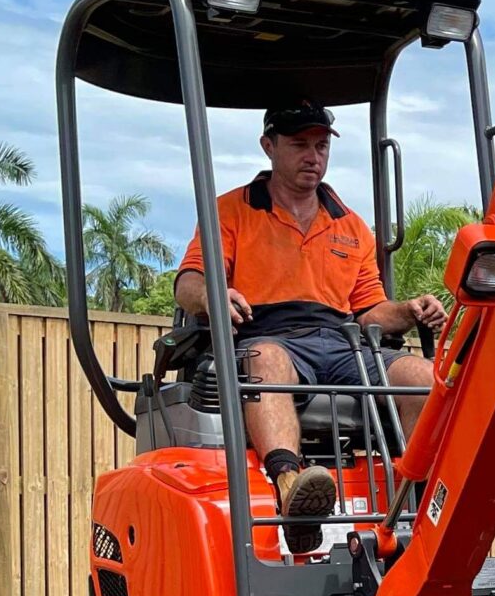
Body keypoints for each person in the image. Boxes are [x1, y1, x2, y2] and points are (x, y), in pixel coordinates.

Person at [173, 100, 447, 548]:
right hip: (267, 332)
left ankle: (406, 517)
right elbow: (187, 283)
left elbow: (369, 310)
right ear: (269, 146)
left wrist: (409, 310)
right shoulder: (231, 212)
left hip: (343, 342)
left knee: (421, 378)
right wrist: (211, 295)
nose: (313, 156)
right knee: (267, 360)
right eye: (300, 144)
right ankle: (292, 492)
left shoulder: (351, 226)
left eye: (321, 146)